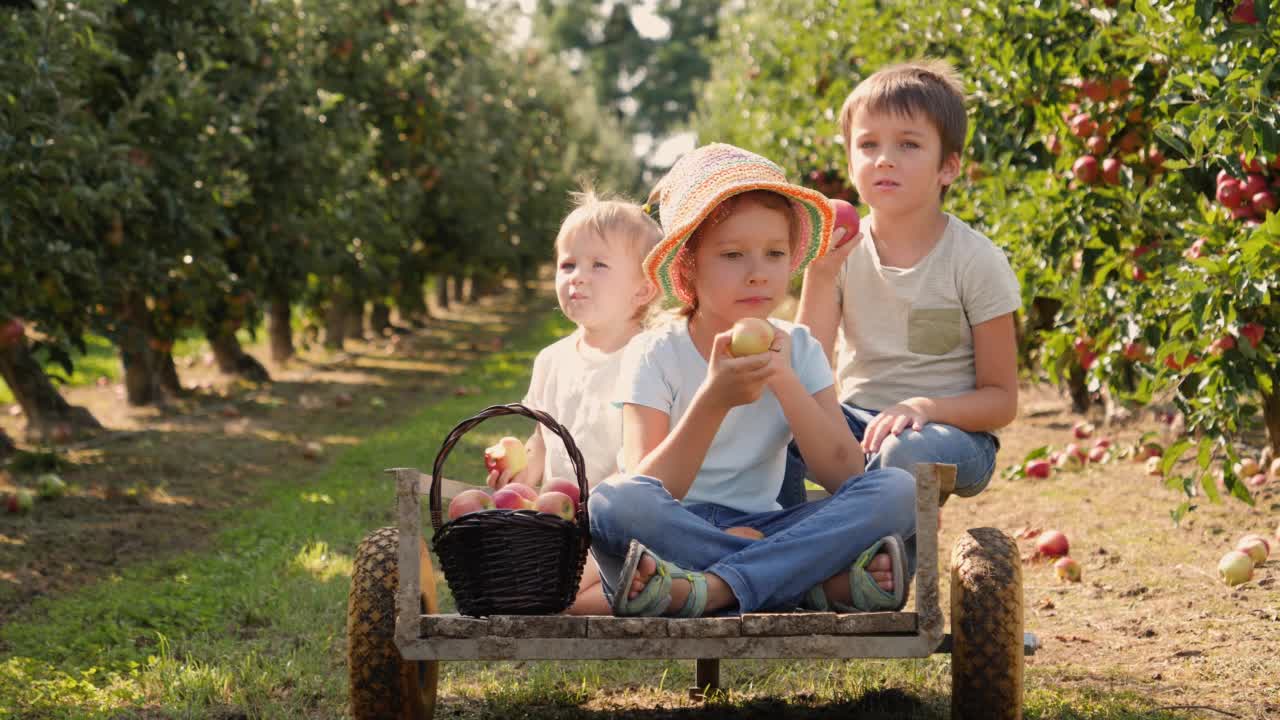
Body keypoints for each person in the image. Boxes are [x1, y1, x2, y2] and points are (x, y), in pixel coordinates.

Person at [587, 143, 918, 618]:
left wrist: (784, 380)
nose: (758, 273)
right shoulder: (655, 351)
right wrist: (713, 400)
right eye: (733, 254)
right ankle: (805, 581)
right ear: (689, 264)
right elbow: (650, 486)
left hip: (767, 525)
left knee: (897, 492)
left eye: (774, 253)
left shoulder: (799, 348)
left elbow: (843, 473)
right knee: (613, 503)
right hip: (678, 527)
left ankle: (713, 588)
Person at [779, 59, 1021, 509]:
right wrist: (821, 273)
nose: (884, 158)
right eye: (867, 144)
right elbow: (804, 368)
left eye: (908, 145)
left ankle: (884, 562)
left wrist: (923, 408)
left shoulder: (974, 260)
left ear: (947, 168)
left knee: (903, 449)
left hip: (947, 433)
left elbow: (1001, 400)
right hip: (856, 423)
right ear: (850, 161)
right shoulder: (841, 252)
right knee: (771, 430)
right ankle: (788, 550)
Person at [490, 189, 662, 615]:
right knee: (525, 586)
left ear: (643, 290)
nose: (577, 277)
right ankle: (639, 591)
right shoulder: (552, 361)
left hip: (627, 525)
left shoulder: (652, 357)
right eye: (567, 265)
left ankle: (648, 584)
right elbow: (542, 446)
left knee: (546, 591)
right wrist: (516, 474)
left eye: (598, 265)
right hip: (562, 526)